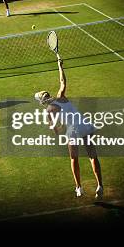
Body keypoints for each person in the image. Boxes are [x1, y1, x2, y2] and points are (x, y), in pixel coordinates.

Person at [34, 58, 104, 199]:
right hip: (84, 125)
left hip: (73, 131)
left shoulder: (48, 111)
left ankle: (78, 188)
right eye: (45, 94)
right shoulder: (60, 97)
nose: (46, 95)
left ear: (42, 102)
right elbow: (62, 82)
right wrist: (60, 66)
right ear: (46, 98)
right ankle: (100, 185)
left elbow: (55, 130)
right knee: (92, 156)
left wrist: (59, 133)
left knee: (74, 159)